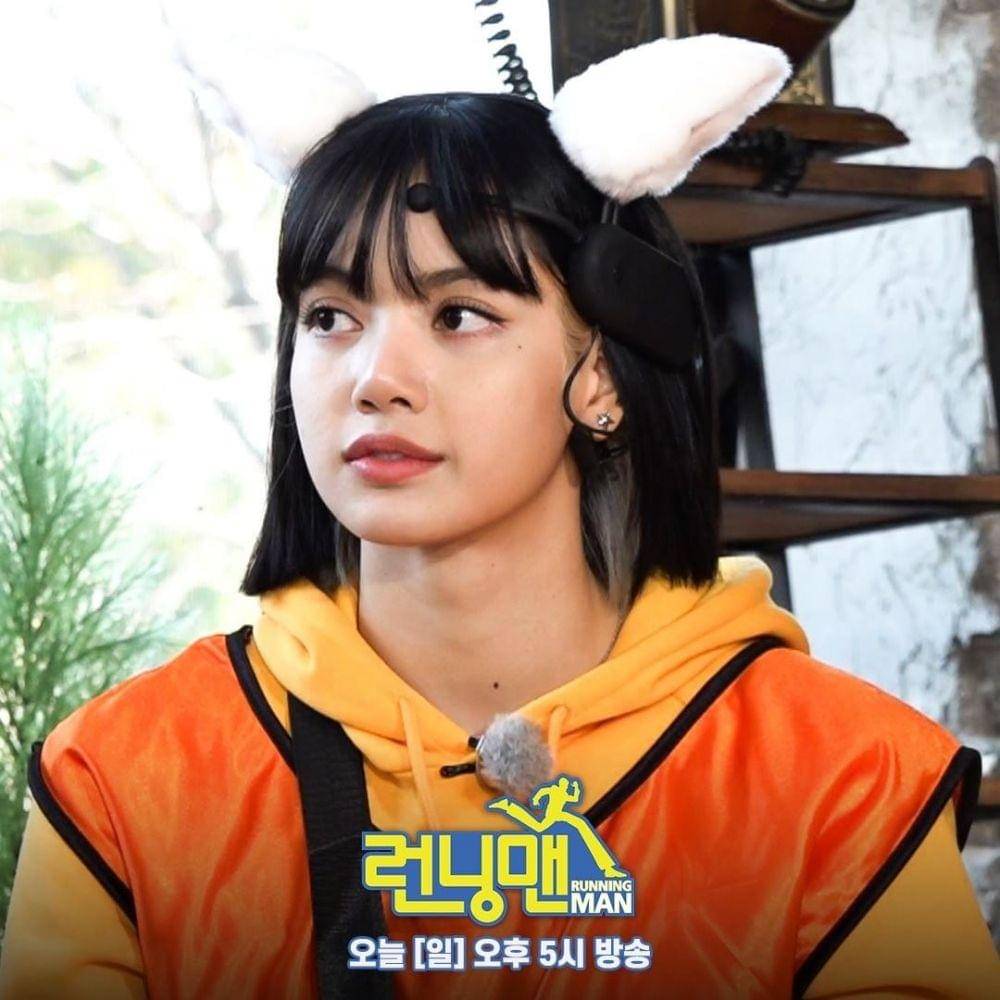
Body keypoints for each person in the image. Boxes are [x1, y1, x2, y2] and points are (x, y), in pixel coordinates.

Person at [2, 34, 999, 1000]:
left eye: (459, 315)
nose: (375, 379)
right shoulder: (128, 779)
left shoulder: (839, 779)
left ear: (601, 374)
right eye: (330, 317)